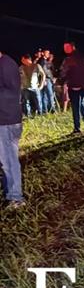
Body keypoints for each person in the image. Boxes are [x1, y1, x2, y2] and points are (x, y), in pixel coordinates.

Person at [0, 51, 24, 208]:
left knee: (8, 160)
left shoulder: (5, 65)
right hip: (8, 119)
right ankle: (10, 191)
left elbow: (12, 92)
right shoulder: (6, 63)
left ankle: (15, 197)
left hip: (7, 120)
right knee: (7, 159)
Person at [61, 42, 84, 133]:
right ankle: (79, 127)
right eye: (64, 47)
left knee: (80, 104)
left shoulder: (79, 58)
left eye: (67, 47)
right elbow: (64, 73)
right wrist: (64, 80)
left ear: (73, 47)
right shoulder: (67, 59)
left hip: (82, 85)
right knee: (77, 106)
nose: (65, 49)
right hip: (72, 85)